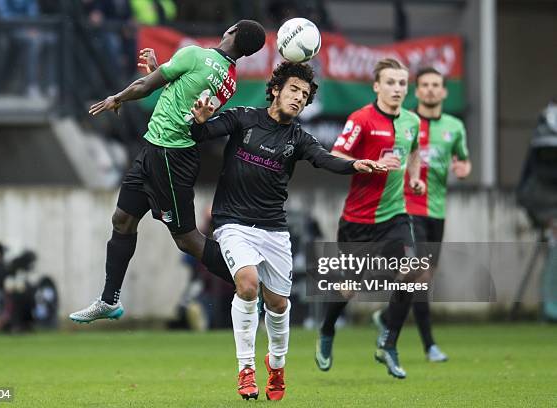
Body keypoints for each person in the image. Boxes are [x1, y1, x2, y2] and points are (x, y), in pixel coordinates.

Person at [190, 61, 386, 401]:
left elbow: (325, 159)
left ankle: (276, 365)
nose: (298, 98)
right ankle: (246, 369)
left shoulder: (298, 138)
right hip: (233, 224)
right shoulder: (243, 118)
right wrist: (200, 119)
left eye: (305, 95)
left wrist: (354, 164)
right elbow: (202, 133)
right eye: (294, 89)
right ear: (276, 89)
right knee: (247, 284)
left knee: (278, 305)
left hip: (273, 231)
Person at [69, 20, 266, 323]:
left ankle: (254, 283)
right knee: (122, 219)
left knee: (186, 238)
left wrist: (117, 98)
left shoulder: (195, 55)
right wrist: (161, 69)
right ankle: (109, 300)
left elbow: (146, 87)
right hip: (153, 148)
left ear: (232, 32)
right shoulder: (229, 79)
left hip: (171, 158)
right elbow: (185, 94)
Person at [314, 58, 425, 379]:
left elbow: (414, 151)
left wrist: (415, 178)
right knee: (348, 289)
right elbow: (336, 155)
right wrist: (367, 163)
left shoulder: (411, 122)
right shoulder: (361, 119)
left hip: (395, 217)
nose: (397, 89)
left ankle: (388, 343)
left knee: (412, 270)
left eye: (402, 83)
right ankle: (327, 328)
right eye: (390, 82)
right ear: (377, 86)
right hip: (358, 222)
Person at [371, 67, 471, 362]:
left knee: (424, 278)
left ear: (443, 92)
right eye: (424, 84)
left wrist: (464, 169)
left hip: (437, 212)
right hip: (407, 210)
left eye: (435, 85)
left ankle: (388, 317)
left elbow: (463, 161)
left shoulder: (455, 126)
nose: (429, 89)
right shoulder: (406, 122)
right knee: (420, 277)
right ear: (417, 90)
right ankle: (428, 345)